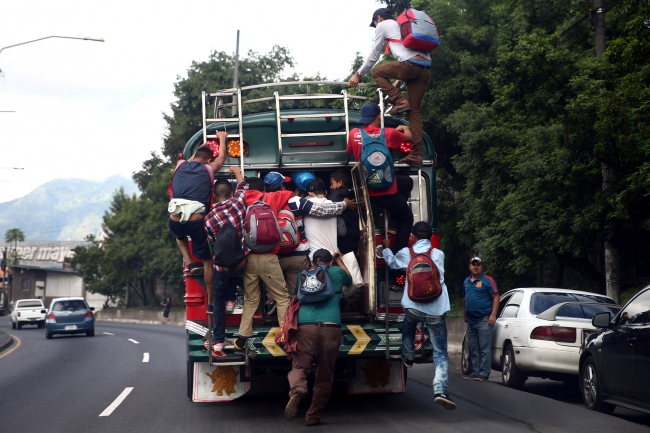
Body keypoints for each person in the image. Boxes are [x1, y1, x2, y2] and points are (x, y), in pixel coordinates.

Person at [381, 221, 456, 410]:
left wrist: (386, 249)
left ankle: (408, 356)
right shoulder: (438, 254)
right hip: (436, 308)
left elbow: (390, 262)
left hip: (413, 306)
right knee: (440, 351)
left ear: (412, 237)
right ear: (430, 237)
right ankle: (440, 391)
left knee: (408, 324)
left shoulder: (407, 253)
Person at [348, 7, 431, 167]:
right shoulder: (403, 26)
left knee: (377, 72)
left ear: (378, 18)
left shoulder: (383, 25)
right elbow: (410, 54)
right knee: (414, 112)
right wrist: (397, 81)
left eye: (374, 23)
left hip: (410, 65)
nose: (375, 26)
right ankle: (416, 154)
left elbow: (374, 55)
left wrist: (358, 74)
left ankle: (399, 101)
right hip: (425, 67)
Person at [285, 249, 352, 426]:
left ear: (313, 263)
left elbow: (297, 293)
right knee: (325, 374)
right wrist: (339, 260)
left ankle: (298, 389)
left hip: (305, 327)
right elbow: (350, 279)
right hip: (331, 328)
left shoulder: (303, 275)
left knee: (299, 366)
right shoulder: (337, 272)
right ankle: (313, 414)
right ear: (330, 262)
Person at [265, 172, 352, 298]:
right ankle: (290, 310)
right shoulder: (295, 201)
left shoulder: (261, 201)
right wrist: (344, 204)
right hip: (297, 255)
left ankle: (271, 302)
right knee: (295, 294)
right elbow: (323, 210)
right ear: (283, 186)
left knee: (274, 293)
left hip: (272, 255)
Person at [233, 177, 295, 351]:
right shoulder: (270, 198)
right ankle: (284, 336)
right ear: (263, 189)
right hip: (269, 258)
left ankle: (242, 338)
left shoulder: (241, 201)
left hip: (249, 258)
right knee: (282, 298)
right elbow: (290, 193)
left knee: (251, 299)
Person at [347, 103, 414, 254]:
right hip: (388, 191)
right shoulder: (389, 134)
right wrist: (403, 128)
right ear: (379, 116)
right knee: (406, 218)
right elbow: (411, 137)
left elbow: (350, 150)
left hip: (367, 192)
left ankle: (389, 221)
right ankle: (397, 252)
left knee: (406, 182)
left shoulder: (354, 133)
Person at [168, 131, 228, 291]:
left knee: (179, 236)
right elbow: (221, 157)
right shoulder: (208, 169)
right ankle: (210, 299)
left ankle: (190, 262)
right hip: (195, 221)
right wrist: (222, 139)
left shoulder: (180, 165)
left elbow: (194, 157)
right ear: (209, 161)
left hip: (174, 219)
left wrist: (202, 145)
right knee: (208, 261)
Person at [204, 166, 248, 352]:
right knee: (243, 283)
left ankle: (219, 340)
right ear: (230, 193)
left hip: (221, 268)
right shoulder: (237, 204)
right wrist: (237, 171)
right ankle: (233, 298)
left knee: (218, 302)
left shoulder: (208, 219)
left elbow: (214, 242)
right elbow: (243, 186)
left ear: (213, 197)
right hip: (241, 264)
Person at [462, 257, 499, 381]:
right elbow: (465, 298)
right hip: (471, 320)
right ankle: (475, 371)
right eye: (473, 265)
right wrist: (465, 314)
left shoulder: (488, 280)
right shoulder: (466, 281)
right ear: (469, 266)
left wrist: (493, 315)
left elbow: (496, 297)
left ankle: (484, 373)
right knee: (473, 347)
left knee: (484, 348)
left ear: (481, 267)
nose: (475, 267)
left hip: (483, 319)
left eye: (478, 265)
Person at [304, 180, 338, 259]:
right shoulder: (333, 205)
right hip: (333, 254)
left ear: (309, 193)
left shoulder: (305, 204)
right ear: (326, 192)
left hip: (315, 257)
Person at [328, 170, 360, 255]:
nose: (331, 187)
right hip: (355, 234)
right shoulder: (355, 193)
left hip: (344, 236)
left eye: (332, 183)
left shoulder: (336, 193)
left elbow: (330, 206)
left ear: (340, 183)